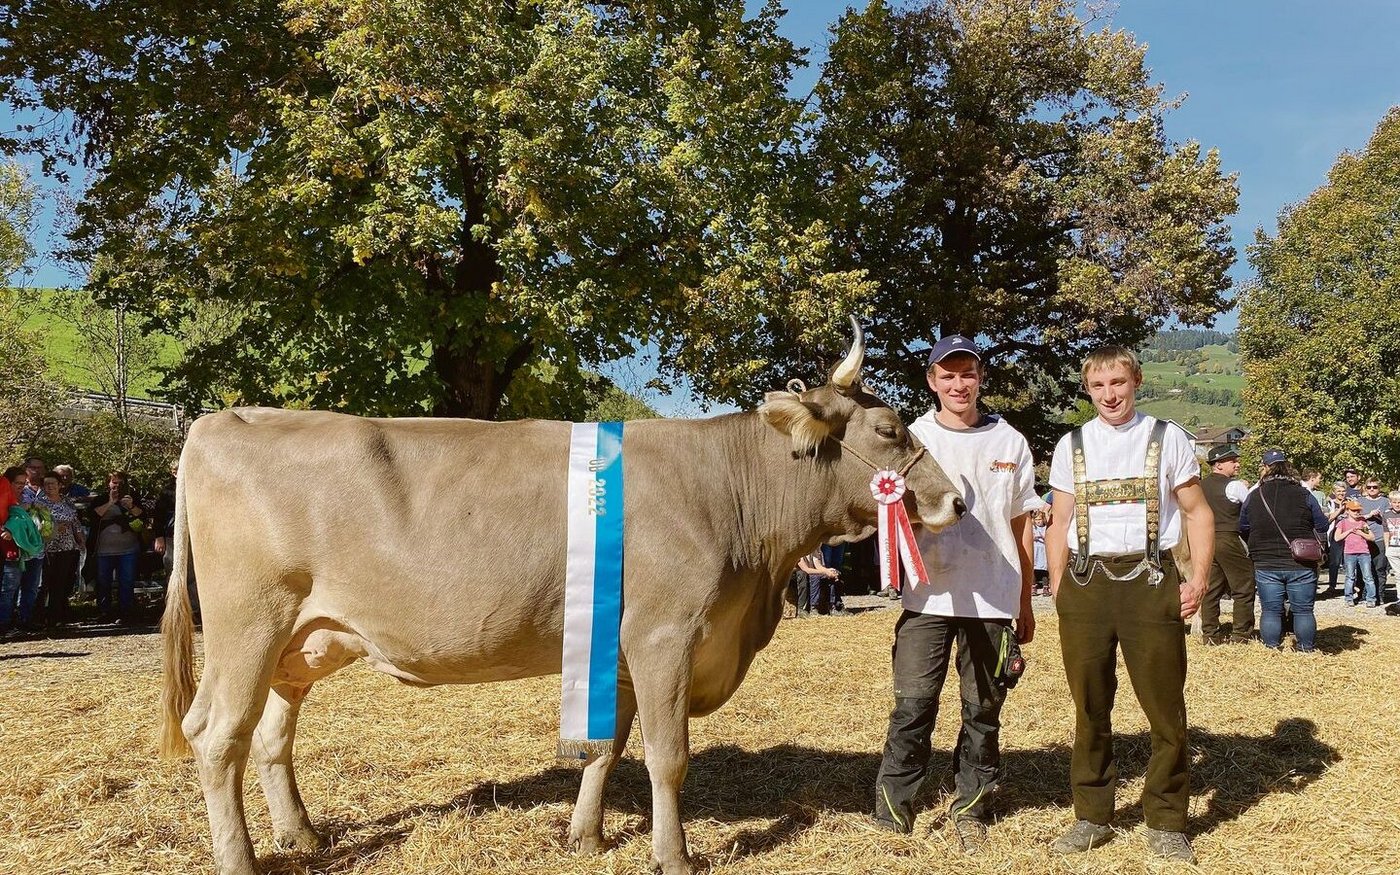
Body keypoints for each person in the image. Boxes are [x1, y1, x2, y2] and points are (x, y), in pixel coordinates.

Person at [872, 335, 1039, 854]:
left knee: (982, 711)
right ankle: (895, 807)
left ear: (980, 378)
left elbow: (1021, 525)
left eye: (967, 373)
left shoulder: (1010, 442)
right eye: (948, 375)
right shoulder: (911, 439)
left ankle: (972, 807)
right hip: (928, 598)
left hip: (992, 598)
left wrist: (1025, 600)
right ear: (932, 381)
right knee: (912, 707)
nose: (958, 384)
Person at [1045, 346, 1212, 865]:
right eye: (1098, 386)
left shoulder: (1168, 439)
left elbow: (1198, 513)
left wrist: (1199, 580)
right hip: (1087, 582)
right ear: (1088, 389)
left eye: (1118, 382)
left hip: (1151, 579)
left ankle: (1166, 820)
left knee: (1164, 709)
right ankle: (1092, 815)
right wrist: (1057, 585)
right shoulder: (1070, 444)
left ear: (1136, 380)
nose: (1109, 395)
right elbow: (1058, 521)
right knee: (1090, 707)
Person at [1238, 450, 1327, 651]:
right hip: (1301, 560)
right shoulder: (1304, 494)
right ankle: (1306, 649)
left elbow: (1242, 527)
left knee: (1270, 610)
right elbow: (1322, 525)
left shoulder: (1254, 496)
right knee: (1303, 611)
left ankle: (1271, 648)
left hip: (1265, 561)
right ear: (1288, 468)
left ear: (1266, 470)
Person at [1198, 446, 1255, 644]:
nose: (1237, 463)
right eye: (1233, 461)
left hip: (1205, 540)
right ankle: (1240, 634)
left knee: (1211, 589)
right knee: (1244, 587)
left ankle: (1210, 635)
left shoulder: (1199, 486)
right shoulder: (1234, 486)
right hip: (1228, 537)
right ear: (1219, 464)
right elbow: (1251, 509)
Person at [91, 470, 148, 623]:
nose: (116, 485)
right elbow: (94, 516)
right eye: (113, 482)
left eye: (120, 482)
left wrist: (130, 506)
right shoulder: (100, 499)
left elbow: (143, 517)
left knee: (127, 581)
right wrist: (110, 502)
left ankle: (126, 612)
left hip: (129, 549)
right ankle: (104, 611)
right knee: (103, 582)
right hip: (104, 550)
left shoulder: (132, 498)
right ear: (107, 483)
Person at [34, 472, 84, 630]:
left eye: (53, 484)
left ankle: (56, 618)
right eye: (47, 484)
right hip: (47, 548)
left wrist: (80, 538)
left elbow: (75, 521)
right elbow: (37, 526)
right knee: (44, 584)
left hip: (68, 547)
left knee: (61, 583)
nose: (50, 487)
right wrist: (55, 528)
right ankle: (38, 618)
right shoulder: (39, 503)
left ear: (59, 485)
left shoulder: (67, 501)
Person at [1334, 500, 1379, 607]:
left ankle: (1371, 598)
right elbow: (1337, 538)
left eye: (1358, 510)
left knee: (1368, 576)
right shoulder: (1342, 523)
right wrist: (1349, 531)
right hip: (1349, 553)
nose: (1356, 512)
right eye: (1354, 510)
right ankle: (1348, 598)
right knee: (1350, 577)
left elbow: (1372, 537)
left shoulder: (1362, 522)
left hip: (1364, 552)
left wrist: (1360, 533)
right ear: (1348, 511)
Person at [1357, 478, 1390, 596]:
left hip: (1380, 537)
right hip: (1363, 538)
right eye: (1369, 487)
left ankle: (1379, 595)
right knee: (1363, 569)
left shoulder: (1385, 501)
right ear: (1365, 488)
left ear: (1379, 488)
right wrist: (1369, 515)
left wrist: (1381, 516)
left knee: (1380, 568)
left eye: (1375, 487)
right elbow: (1355, 518)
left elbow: (1390, 518)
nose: (1372, 489)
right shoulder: (1360, 501)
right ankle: (1364, 594)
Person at [796, 547, 840, 616]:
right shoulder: (799, 551)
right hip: (800, 573)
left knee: (831, 576)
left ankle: (832, 606)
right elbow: (806, 570)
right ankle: (813, 608)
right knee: (815, 577)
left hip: (811, 571)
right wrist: (825, 572)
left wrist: (828, 571)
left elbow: (818, 566)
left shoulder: (814, 549)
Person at [1323, 481, 1348, 596]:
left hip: (1349, 534)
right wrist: (1340, 510)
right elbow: (1328, 519)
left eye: (1343, 491)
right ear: (1334, 492)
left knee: (1349, 561)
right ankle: (1332, 585)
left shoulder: (1351, 502)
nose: (1341, 493)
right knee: (1335, 561)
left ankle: (1352, 586)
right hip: (1335, 534)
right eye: (1339, 491)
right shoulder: (1330, 503)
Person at [1382, 491, 1400, 605]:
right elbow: (1386, 532)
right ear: (1390, 503)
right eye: (1395, 502)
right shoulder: (1387, 514)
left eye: (1399, 502)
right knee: (1398, 574)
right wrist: (1387, 547)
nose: (1397, 504)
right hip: (1393, 547)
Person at [1031, 509, 1050, 596]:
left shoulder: (1046, 528)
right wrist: (1034, 537)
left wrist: (1043, 537)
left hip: (1043, 550)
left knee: (1044, 570)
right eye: (1036, 520)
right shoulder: (1033, 528)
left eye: (1040, 520)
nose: (1038, 522)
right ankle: (1033, 587)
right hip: (1035, 550)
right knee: (1034, 569)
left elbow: (1048, 538)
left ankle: (1045, 588)